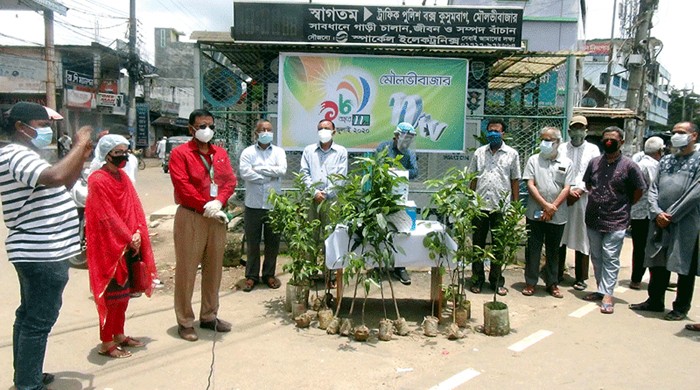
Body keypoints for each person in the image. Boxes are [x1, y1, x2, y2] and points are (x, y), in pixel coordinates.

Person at [1, 102, 93, 390]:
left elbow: (63, 183)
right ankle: (28, 384)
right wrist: (78, 144)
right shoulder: (15, 153)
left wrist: (81, 155)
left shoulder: (26, 154)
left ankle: (26, 375)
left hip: (41, 250)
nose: (46, 131)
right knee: (38, 321)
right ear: (20, 127)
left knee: (28, 317)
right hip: (42, 251)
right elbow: (55, 177)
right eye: (41, 126)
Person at [85, 135, 157, 358]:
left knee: (124, 295)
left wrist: (136, 232)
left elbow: (133, 207)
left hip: (128, 243)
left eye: (126, 151)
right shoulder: (97, 180)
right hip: (110, 246)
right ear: (106, 154)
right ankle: (106, 342)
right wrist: (128, 236)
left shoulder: (123, 177)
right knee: (112, 297)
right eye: (118, 152)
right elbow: (107, 215)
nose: (123, 156)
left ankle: (119, 334)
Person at [169, 109, 237, 341]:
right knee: (187, 270)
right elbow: (182, 185)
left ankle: (209, 316)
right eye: (201, 126)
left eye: (210, 125)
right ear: (191, 129)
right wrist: (204, 205)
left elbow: (229, 180)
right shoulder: (180, 154)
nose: (206, 130)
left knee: (214, 268)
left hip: (216, 216)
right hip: (192, 216)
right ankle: (185, 321)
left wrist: (219, 202)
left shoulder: (220, 153)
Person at [629, 122, 700, 324]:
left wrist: (671, 214)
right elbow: (653, 189)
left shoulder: (698, 160)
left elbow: (695, 192)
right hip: (659, 220)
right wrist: (657, 212)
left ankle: (680, 307)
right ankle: (655, 300)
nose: (676, 136)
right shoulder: (666, 160)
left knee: (683, 263)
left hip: (685, 220)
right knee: (657, 261)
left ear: (694, 136)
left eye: (681, 133)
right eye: (674, 132)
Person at [582, 126, 646, 314]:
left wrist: (624, 205)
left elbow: (639, 189)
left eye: (613, 139)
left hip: (616, 219)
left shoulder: (630, 165)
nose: (608, 142)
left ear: (621, 143)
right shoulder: (594, 163)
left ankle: (608, 294)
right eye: (605, 138)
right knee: (596, 255)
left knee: (610, 256)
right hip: (593, 218)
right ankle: (601, 289)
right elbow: (588, 184)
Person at [468, 118, 521, 296]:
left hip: (501, 206)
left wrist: (514, 204)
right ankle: (477, 279)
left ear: (503, 133)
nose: (493, 133)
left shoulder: (512, 154)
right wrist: (470, 201)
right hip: (480, 205)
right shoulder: (479, 153)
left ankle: (497, 281)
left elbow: (515, 180)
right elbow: (473, 178)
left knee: (499, 245)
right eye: (490, 130)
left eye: (496, 131)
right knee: (478, 245)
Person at [522, 127, 573, 298]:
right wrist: (545, 205)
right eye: (542, 139)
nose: (544, 143)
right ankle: (530, 282)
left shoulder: (567, 162)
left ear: (557, 142)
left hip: (557, 213)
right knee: (533, 248)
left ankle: (552, 283)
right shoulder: (533, 160)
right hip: (535, 211)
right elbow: (530, 185)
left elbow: (567, 188)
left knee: (554, 250)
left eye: (548, 140)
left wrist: (553, 207)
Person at [239, 120, 287, 292]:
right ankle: (251, 276)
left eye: (269, 129)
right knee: (252, 243)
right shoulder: (248, 152)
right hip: (253, 204)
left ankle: (269, 274)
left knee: (272, 242)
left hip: (274, 205)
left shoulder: (279, 152)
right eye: (263, 130)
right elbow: (245, 172)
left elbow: (282, 170)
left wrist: (258, 169)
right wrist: (267, 176)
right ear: (256, 133)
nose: (266, 132)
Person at [300, 119, 348, 286]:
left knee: (331, 236)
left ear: (334, 131)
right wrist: (314, 192)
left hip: (332, 200)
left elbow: (341, 177)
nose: (323, 131)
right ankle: (310, 274)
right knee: (310, 236)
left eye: (327, 128)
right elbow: (304, 173)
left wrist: (326, 194)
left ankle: (330, 276)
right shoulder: (309, 151)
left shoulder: (341, 151)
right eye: (320, 128)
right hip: (311, 199)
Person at [558, 115, 601, 290]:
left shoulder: (593, 150)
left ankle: (580, 277)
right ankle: (556, 273)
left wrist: (580, 190)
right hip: (562, 197)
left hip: (583, 197)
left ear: (586, 131)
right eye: (574, 128)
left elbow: (594, 174)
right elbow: (557, 171)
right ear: (568, 131)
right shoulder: (561, 148)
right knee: (559, 235)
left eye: (581, 128)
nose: (577, 131)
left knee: (582, 236)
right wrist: (567, 191)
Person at [375, 121, 418, 285]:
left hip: (400, 196)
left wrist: (400, 171)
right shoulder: (383, 147)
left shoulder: (408, 153)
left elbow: (415, 171)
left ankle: (400, 267)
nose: (407, 140)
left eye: (411, 137)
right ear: (396, 135)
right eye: (405, 136)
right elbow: (376, 165)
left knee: (400, 230)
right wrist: (387, 170)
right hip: (382, 195)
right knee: (380, 230)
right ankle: (377, 266)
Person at [628, 136, 664, 289]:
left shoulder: (638, 164)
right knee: (653, 247)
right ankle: (649, 278)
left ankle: (636, 278)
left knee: (639, 247)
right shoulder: (655, 166)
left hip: (637, 212)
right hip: (650, 213)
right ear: (660, 151)